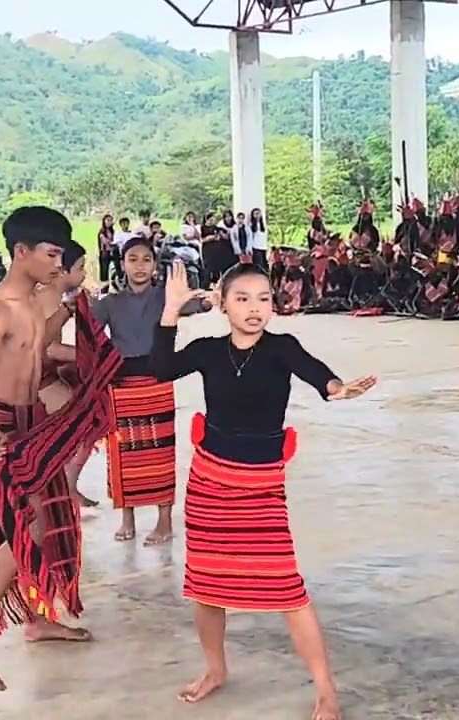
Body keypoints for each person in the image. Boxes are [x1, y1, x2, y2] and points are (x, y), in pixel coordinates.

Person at [152, 261, 375, 713]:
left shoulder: (281, 347)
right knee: (206, 584)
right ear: (222, 304)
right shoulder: (207, 350)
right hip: (209, 479)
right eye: (243, 298)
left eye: (264, 299)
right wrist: (171, 310)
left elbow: (313, 370)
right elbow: (160, 368)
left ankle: (326, 690)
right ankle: (215, 668)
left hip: (260, 483)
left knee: (287, 589)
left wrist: (335, 388)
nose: (255, 308)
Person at [0, 206, 122, 691]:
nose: (57, 263)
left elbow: (38, 348)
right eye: (51, 254)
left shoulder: (31, 305)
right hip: (1, 428)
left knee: (45, 525)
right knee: (21, 530)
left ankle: (37, 618)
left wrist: (77, 310)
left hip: (33, 424)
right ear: (21, 252)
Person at [93, 236, 210, 544]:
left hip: (157, 380)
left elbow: (200, 303)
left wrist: (216, 296)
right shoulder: (110, 303)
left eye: (146, 259)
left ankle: (164, 521)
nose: (140, 266)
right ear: (122, 264)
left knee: (160, 452)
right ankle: (127, 517)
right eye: (133, 259)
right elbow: (86, 323)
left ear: (155, 265)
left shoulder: (165, 298)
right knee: (123, 452)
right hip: (120, 385)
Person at [34, 239, 96, 508]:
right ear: (63, 270)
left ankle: (66, 485)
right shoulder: (49, 297)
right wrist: (92, 357)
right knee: (91, 420)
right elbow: (49, 349)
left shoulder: (51, 294)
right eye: (81, 268)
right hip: (38, 381)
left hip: (44, 375)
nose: (83, 275)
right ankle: (63, 487)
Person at [96, 214, 115, 284]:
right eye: (108, 220)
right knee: (104, 270)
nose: (109, 222)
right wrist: (112, 242)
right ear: (104, 221)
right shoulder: (102, 231)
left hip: (111, 251)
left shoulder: (112, 231)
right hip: (105, 252)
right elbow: (104, 241)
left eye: (110, 220)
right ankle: (104, 285)